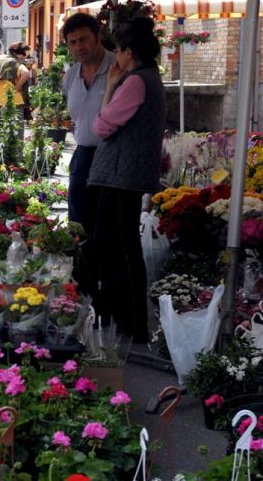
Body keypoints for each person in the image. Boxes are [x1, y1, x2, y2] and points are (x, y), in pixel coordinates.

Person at [87, 17, 165, 343]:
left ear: (129, 52)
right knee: (118, 245)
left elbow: (102, 126)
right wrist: (110, 88)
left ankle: (132, 320)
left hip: (123, 176)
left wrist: (109, 89)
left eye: (118, 51)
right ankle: (124, 314)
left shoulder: (136, 82)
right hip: (124, 175)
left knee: (121, 248)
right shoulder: (150, 77)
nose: (115, 58)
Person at [62, 13, 116, 227]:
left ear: (98, 36)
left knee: (105, 219)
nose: (79, 47)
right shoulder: (72, 74)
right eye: (73, 42)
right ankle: (80, 257)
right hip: (83, 153)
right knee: (78, 215)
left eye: (84, 39)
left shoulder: (117, 67)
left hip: (112, 154)